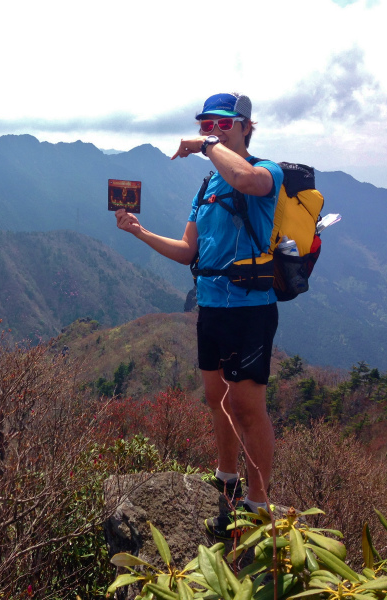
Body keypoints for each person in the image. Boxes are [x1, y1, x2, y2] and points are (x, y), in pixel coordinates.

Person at [115, 92, 284, 539]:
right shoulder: (207, 188)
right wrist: (139, 232)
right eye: (207, 123)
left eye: (224, 123)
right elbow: (187, 251)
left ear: (247, 126)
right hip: (210, 305)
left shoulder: (267, 172)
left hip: (249, 308)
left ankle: (258, 503)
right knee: (217, 398)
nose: (215, 129)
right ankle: (226, 481)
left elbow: (246, 180)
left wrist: (205, 146)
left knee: (249, 406)